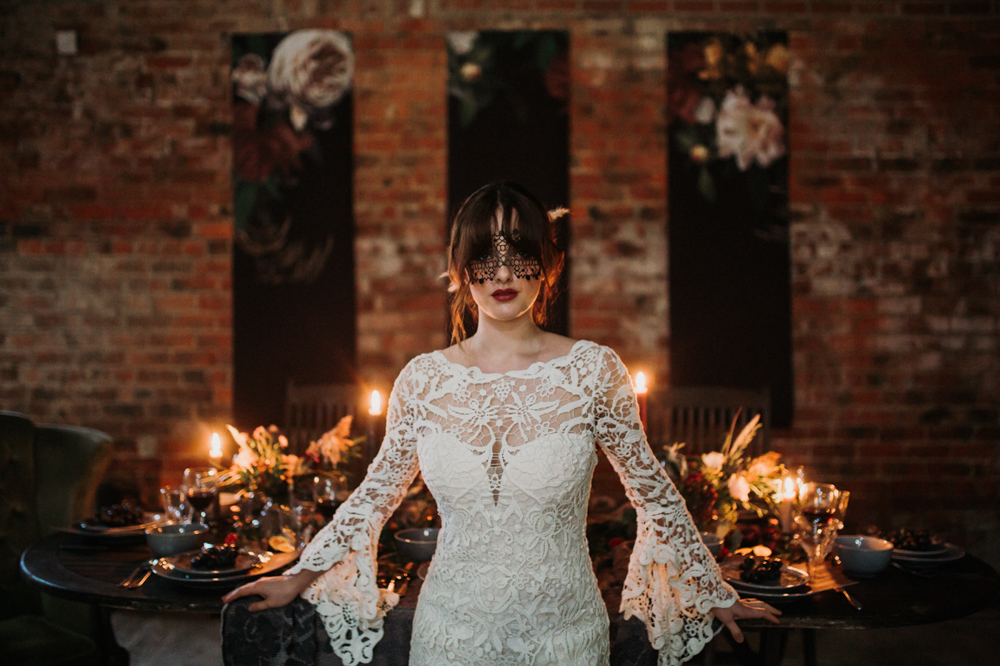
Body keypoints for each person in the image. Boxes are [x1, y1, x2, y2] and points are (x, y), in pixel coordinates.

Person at [224, 182, 780, 665]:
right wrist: (297, 576)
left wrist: (712, 590)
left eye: (520, 251)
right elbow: (375, 496)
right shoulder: (421, 381)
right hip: (448, 638)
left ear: (550, 259)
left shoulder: (593, 371)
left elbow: (652, 492)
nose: (504, 272)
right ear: (460, 269)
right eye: (484, 256)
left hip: (564, 640)